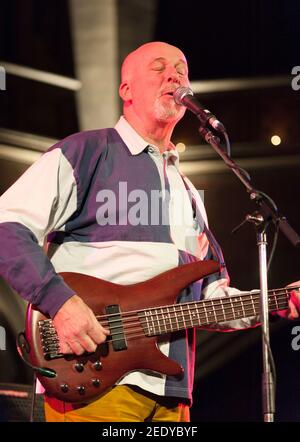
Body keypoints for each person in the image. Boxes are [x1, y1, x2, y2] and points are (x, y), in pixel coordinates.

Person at [0, 41, 299, 422]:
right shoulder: (87, 152)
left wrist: (277, 302)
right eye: (159, 68)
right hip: (93, 384)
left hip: (173, 398)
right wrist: (59, 302)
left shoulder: (189, 194)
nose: (174, 74)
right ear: (126, 90)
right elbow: (6, 224)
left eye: (181, 69)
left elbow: (208, 298)